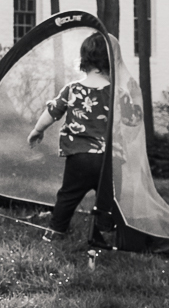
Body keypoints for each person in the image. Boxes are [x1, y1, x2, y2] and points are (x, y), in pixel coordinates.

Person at [27, 31, 111, 239]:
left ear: (84, 61)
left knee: (68, 196)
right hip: (107, 159)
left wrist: (37, 130)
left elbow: (52, 112)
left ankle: (55, 231)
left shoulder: (72, 89)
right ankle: (106, 232)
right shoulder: (114, 92)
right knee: (108, 199)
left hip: (79, 157)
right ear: (109, 64)